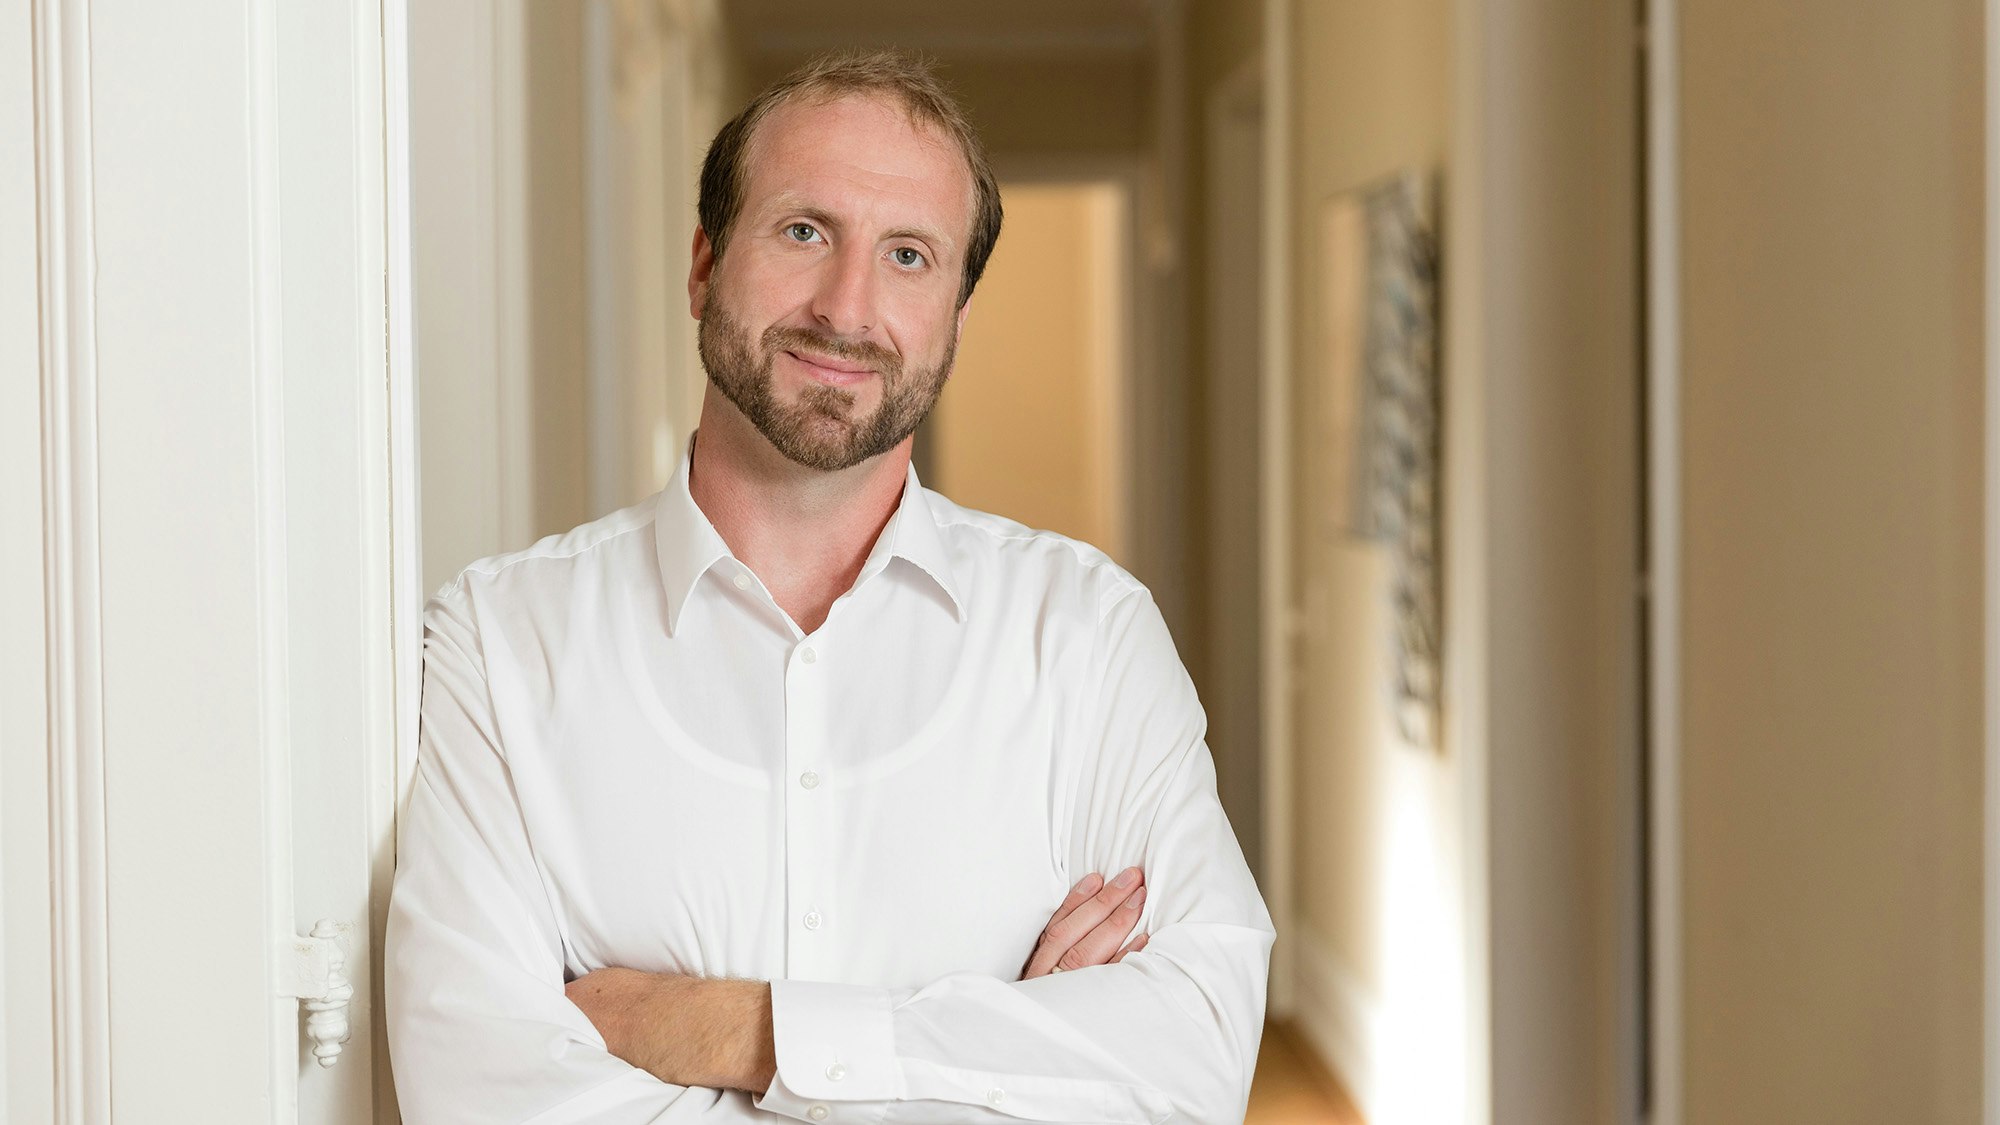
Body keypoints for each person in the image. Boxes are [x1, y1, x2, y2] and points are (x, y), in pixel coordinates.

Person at [385, 49, 1274, 1124]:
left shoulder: (1086, 637)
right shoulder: (499, 642)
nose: (847, 309)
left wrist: (726, 1029)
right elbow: (480, 1095)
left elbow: (1193, 1061)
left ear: (954, 311)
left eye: (908, 255)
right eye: (803, 232)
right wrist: (1003, 1053)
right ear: (705, 264)